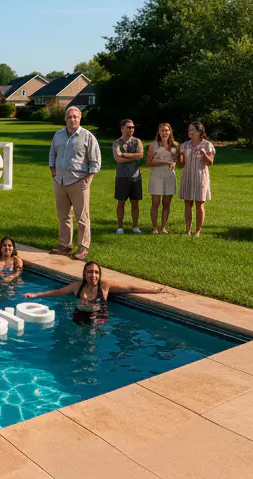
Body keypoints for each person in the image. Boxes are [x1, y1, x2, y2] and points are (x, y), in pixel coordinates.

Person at [25, 260, 165, 325]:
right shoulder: (77, 286)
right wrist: (36, 295)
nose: (93, 275)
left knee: (92, 340)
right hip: (79, 315)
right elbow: (57, 292)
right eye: (90, 272)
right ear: (85, 274)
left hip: (99, 317)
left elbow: (130, 288)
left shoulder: (105, 286)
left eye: (96, 272)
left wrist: (153, 291)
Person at [49, 106, 102, 260]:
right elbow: (52, 153)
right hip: (60, 180)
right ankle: (65, 245)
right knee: (63, 215)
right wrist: (53, 172)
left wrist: (88, 180)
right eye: (69, 117)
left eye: (75, 117)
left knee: (82, 217)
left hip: (79, 181)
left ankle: (83, 247)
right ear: (65, 119)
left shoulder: (88, 136)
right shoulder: (58, 135)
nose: (72, 119)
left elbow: (95, 161)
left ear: (79, 119)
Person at [176, 121, 215, 237]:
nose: (190, 132)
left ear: (199, 132)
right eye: (189, 130)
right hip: (187, 176)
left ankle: (198, 230)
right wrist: (180, 154)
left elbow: (210, 162)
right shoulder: (185, 145)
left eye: (192, 130)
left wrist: (204, 153)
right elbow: (181, 164)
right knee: (187, 204)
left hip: (200, 177)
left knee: (199, 204)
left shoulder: (207, 145)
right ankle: (187, 230)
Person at [112, 119, 144, 235]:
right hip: (122, 177)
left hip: (136, 177)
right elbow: (117, 158)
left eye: (132, 127)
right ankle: (120, 227)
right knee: (121, 203)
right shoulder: (116, 143)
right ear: (122, 128)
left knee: (135, 203)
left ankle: (135, 226)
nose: (131, 130)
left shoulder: (137, 141)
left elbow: (140, 155)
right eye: (128, 127)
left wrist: (125, 154)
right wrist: (134, 157)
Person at [145, 122, 178, 234]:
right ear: (159, 132)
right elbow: (148, 162)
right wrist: (163, 162)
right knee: (155, 202)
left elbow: (175, 160)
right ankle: (154, 228)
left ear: (170, 132)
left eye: (166, 130)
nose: (164, 133)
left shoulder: (174, 145)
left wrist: (174, 163)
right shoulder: (153, 145)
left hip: (169, 176)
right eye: (162, 130)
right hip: (156, 175)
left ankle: (163, 227)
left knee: (167, 203)